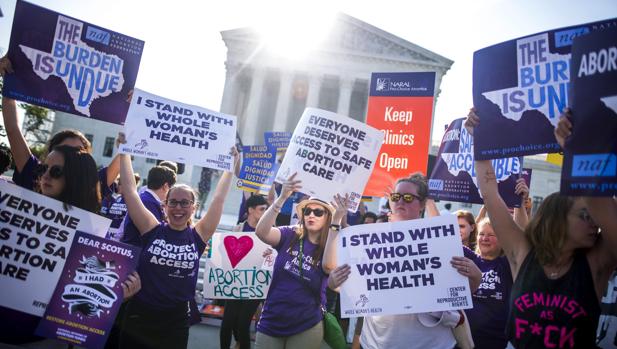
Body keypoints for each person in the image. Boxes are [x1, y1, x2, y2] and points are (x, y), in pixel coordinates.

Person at [467, 108, 617, 348]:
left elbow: (603, 201)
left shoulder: (597, 264)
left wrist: (575, 148)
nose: (595, 222)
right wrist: (480, 140)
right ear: (556, 219)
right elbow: (490, 194)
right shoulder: (522, 253)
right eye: (584, 215)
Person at [0, 146, 140, 345]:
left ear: (75, 178)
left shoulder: (92, 232)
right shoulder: (11, 210)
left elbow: (89, 297)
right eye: (42, 169)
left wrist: (120, 294)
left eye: (56, 171)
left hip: (45, 338)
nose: (46, 175)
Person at [328, 173, 482, 349]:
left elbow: (459, 292)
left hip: (430, 344)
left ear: (422, 204)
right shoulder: (369, 240)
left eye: (408, 197)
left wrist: (476, 277)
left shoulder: (441, 241)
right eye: (396, 196)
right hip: (376, 343)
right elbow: (356, 289)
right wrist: (335, 284)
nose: (401, 201)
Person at [117, 148, 238, 349]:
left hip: (176, 321)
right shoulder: (151, 228)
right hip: (140, 315)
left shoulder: (198, 236)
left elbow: (218, 200)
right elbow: (130, 192)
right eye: (173, 202)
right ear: (165, 206)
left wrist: (230, 168)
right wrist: (124, 151)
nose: (178, 208)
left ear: (193, 207)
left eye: (184, 203)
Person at [253, 173, 347, 349]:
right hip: (272, 318)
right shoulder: (290, 233)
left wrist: (336, 222)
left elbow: (328, 266)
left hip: (306, 324)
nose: (311, 215)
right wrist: (282, 198)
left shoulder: (333, 244)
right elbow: (262, 232)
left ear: (328, 217)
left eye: (318, 212)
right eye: (307, 211)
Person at [220, 195, 269, 349]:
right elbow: (227, 254)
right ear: (251, 210)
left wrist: (270, 253)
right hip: (236, 280)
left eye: (266, 209)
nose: (265, 212)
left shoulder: (270, 231)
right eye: (262, 209)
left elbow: (275, 257)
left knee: (243, 324)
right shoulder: (238, 229)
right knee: (227, 323)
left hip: (255, 284)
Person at [464, 217, 513, 349]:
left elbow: (521, 240)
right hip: (461, 339)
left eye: (491, 235)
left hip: (493, 341)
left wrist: (520, 208)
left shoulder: (507, 264)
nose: (485, 238)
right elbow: (443, 237)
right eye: (481, 234)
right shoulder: (470, 258)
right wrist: (429, 200)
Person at [119, 164, 177, 246]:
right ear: (166, 186)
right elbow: (155, 235)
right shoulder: (149, 202)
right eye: (171, 188)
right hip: (136, 252)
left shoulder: (145, 198)